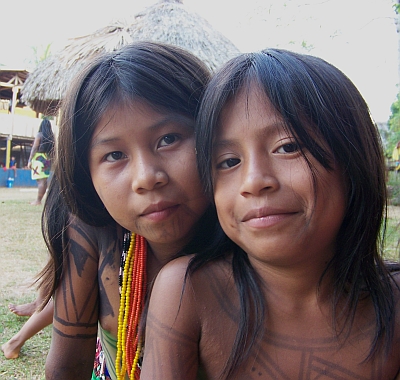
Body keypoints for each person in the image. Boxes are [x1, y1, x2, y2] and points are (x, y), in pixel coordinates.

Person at [141, 48, 400, 379]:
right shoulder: (188, 291)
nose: (253, 182)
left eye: (288, 147)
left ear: (353, 162)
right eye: (229, 162)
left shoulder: (393, 305)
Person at [38, 41, 219, 380]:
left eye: (168, 139)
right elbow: (66, 367)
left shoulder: (253, 241)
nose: (147, 178)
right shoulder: (93, 231)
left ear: (213, 134)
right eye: (114, 155)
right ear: (86, 176)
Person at [28, 119, 54, 205]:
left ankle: (38, 200)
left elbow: (34, 148)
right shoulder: (51, 136)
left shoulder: (39, 135)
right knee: (44, 180)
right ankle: (40, 199)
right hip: (46, 159)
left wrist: (30, 160)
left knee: (40, 181)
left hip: (39, 158)